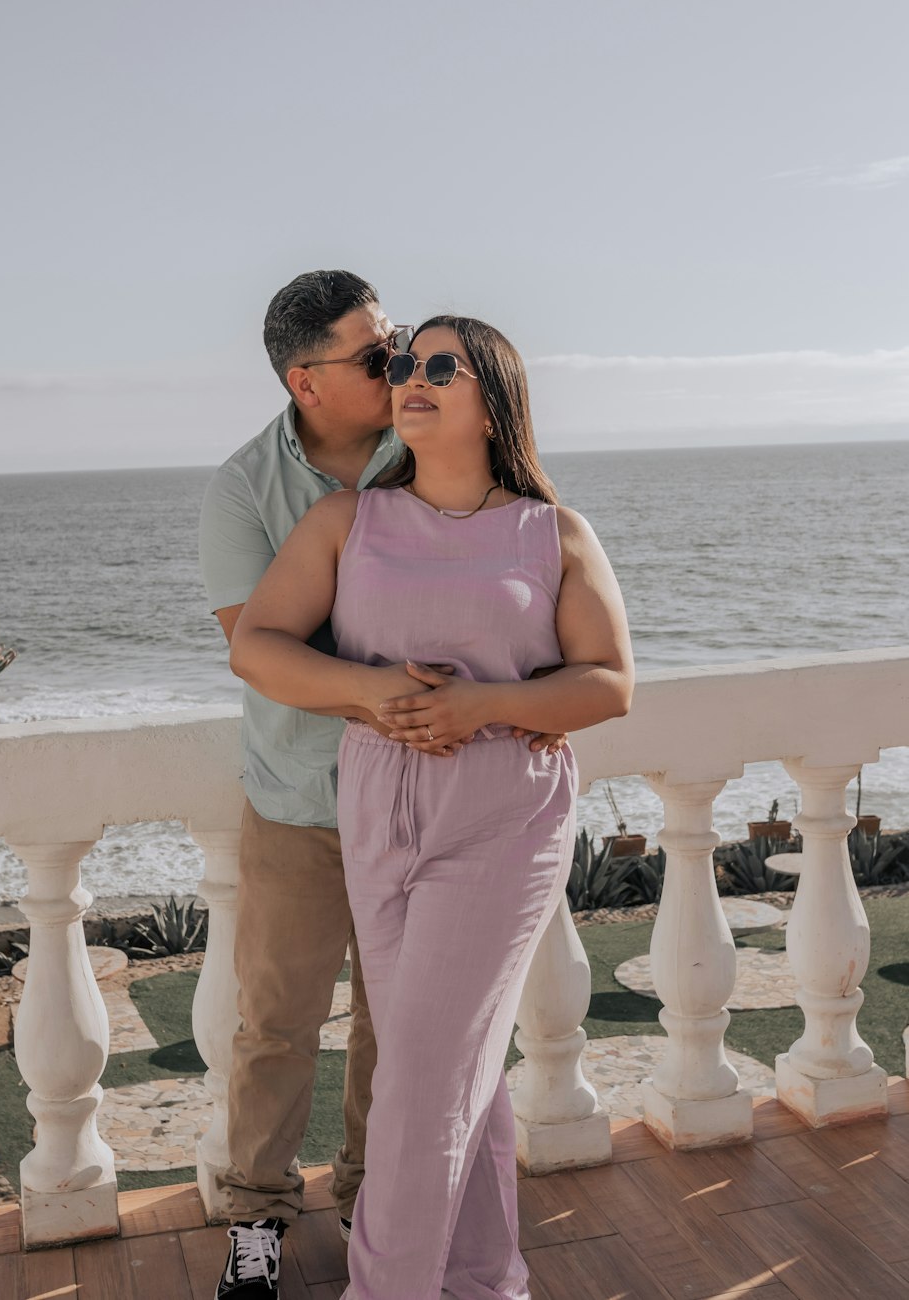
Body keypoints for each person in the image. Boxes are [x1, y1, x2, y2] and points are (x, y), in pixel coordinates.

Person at [231, 316, 634, 1300]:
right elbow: (259, 645)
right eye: (401, 364)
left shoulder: (552, 532)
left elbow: (609, 682)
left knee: (418, 1081)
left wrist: (485, 704)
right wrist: (370, 693)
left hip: (502, 813)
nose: (409, 379)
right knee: (454, 1068)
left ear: (493, 395)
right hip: (378, 809)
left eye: (437, 366)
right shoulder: (347, 523)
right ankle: (482, 1283)